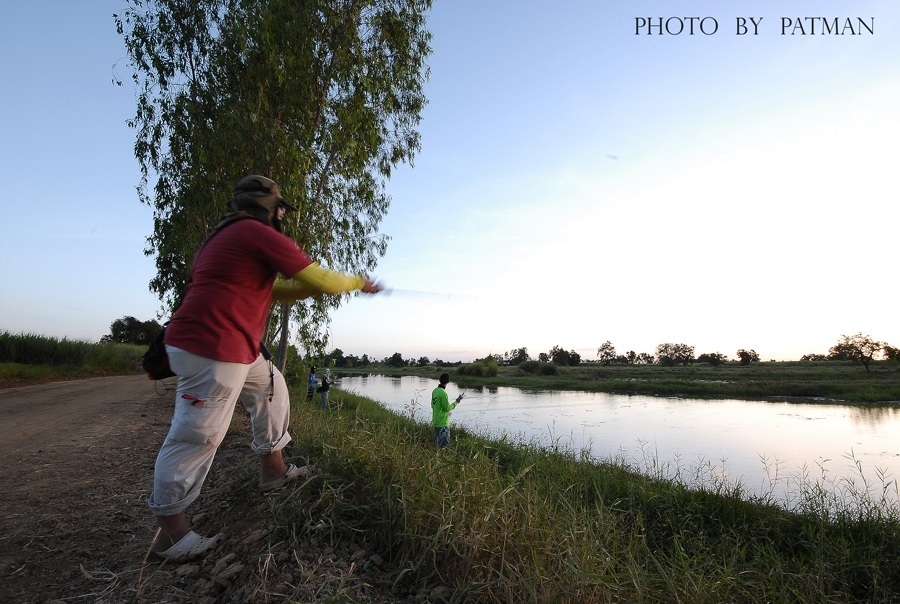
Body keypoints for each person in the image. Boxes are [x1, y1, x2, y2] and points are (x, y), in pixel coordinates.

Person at [149, 175, 382, 562]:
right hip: (212, 347)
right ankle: (171, 534)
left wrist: (312, 286)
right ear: (266, 206)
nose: (281, 215)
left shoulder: (226, 238)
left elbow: (276, 290)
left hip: (234, 347)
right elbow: (320, 278)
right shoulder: (254, 232)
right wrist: (358, 282)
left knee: (271, 385)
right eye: (279, 208)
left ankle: (273, 471)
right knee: (197, 435)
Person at [431, 372, 463, 448]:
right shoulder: (443, 393)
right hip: (443, 423)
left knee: (437, 444)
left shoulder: (435, 391)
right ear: (448, 382)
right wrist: (456, 402)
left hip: (435, 421)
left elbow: (432, 405)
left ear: (440, 380)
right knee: (444, 446)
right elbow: (448, 408)